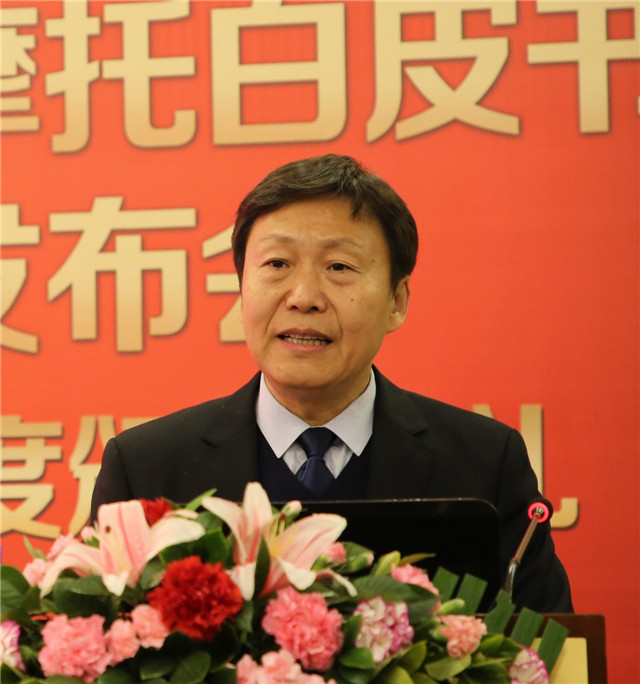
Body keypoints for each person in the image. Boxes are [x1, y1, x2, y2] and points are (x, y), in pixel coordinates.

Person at [91, 154, 572, 612]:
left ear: (397, 301)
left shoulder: (484, 463)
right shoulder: (147, 469)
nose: (304, 297)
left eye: (339, 267)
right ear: (241, 289)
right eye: (277, 264)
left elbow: (546, 648)